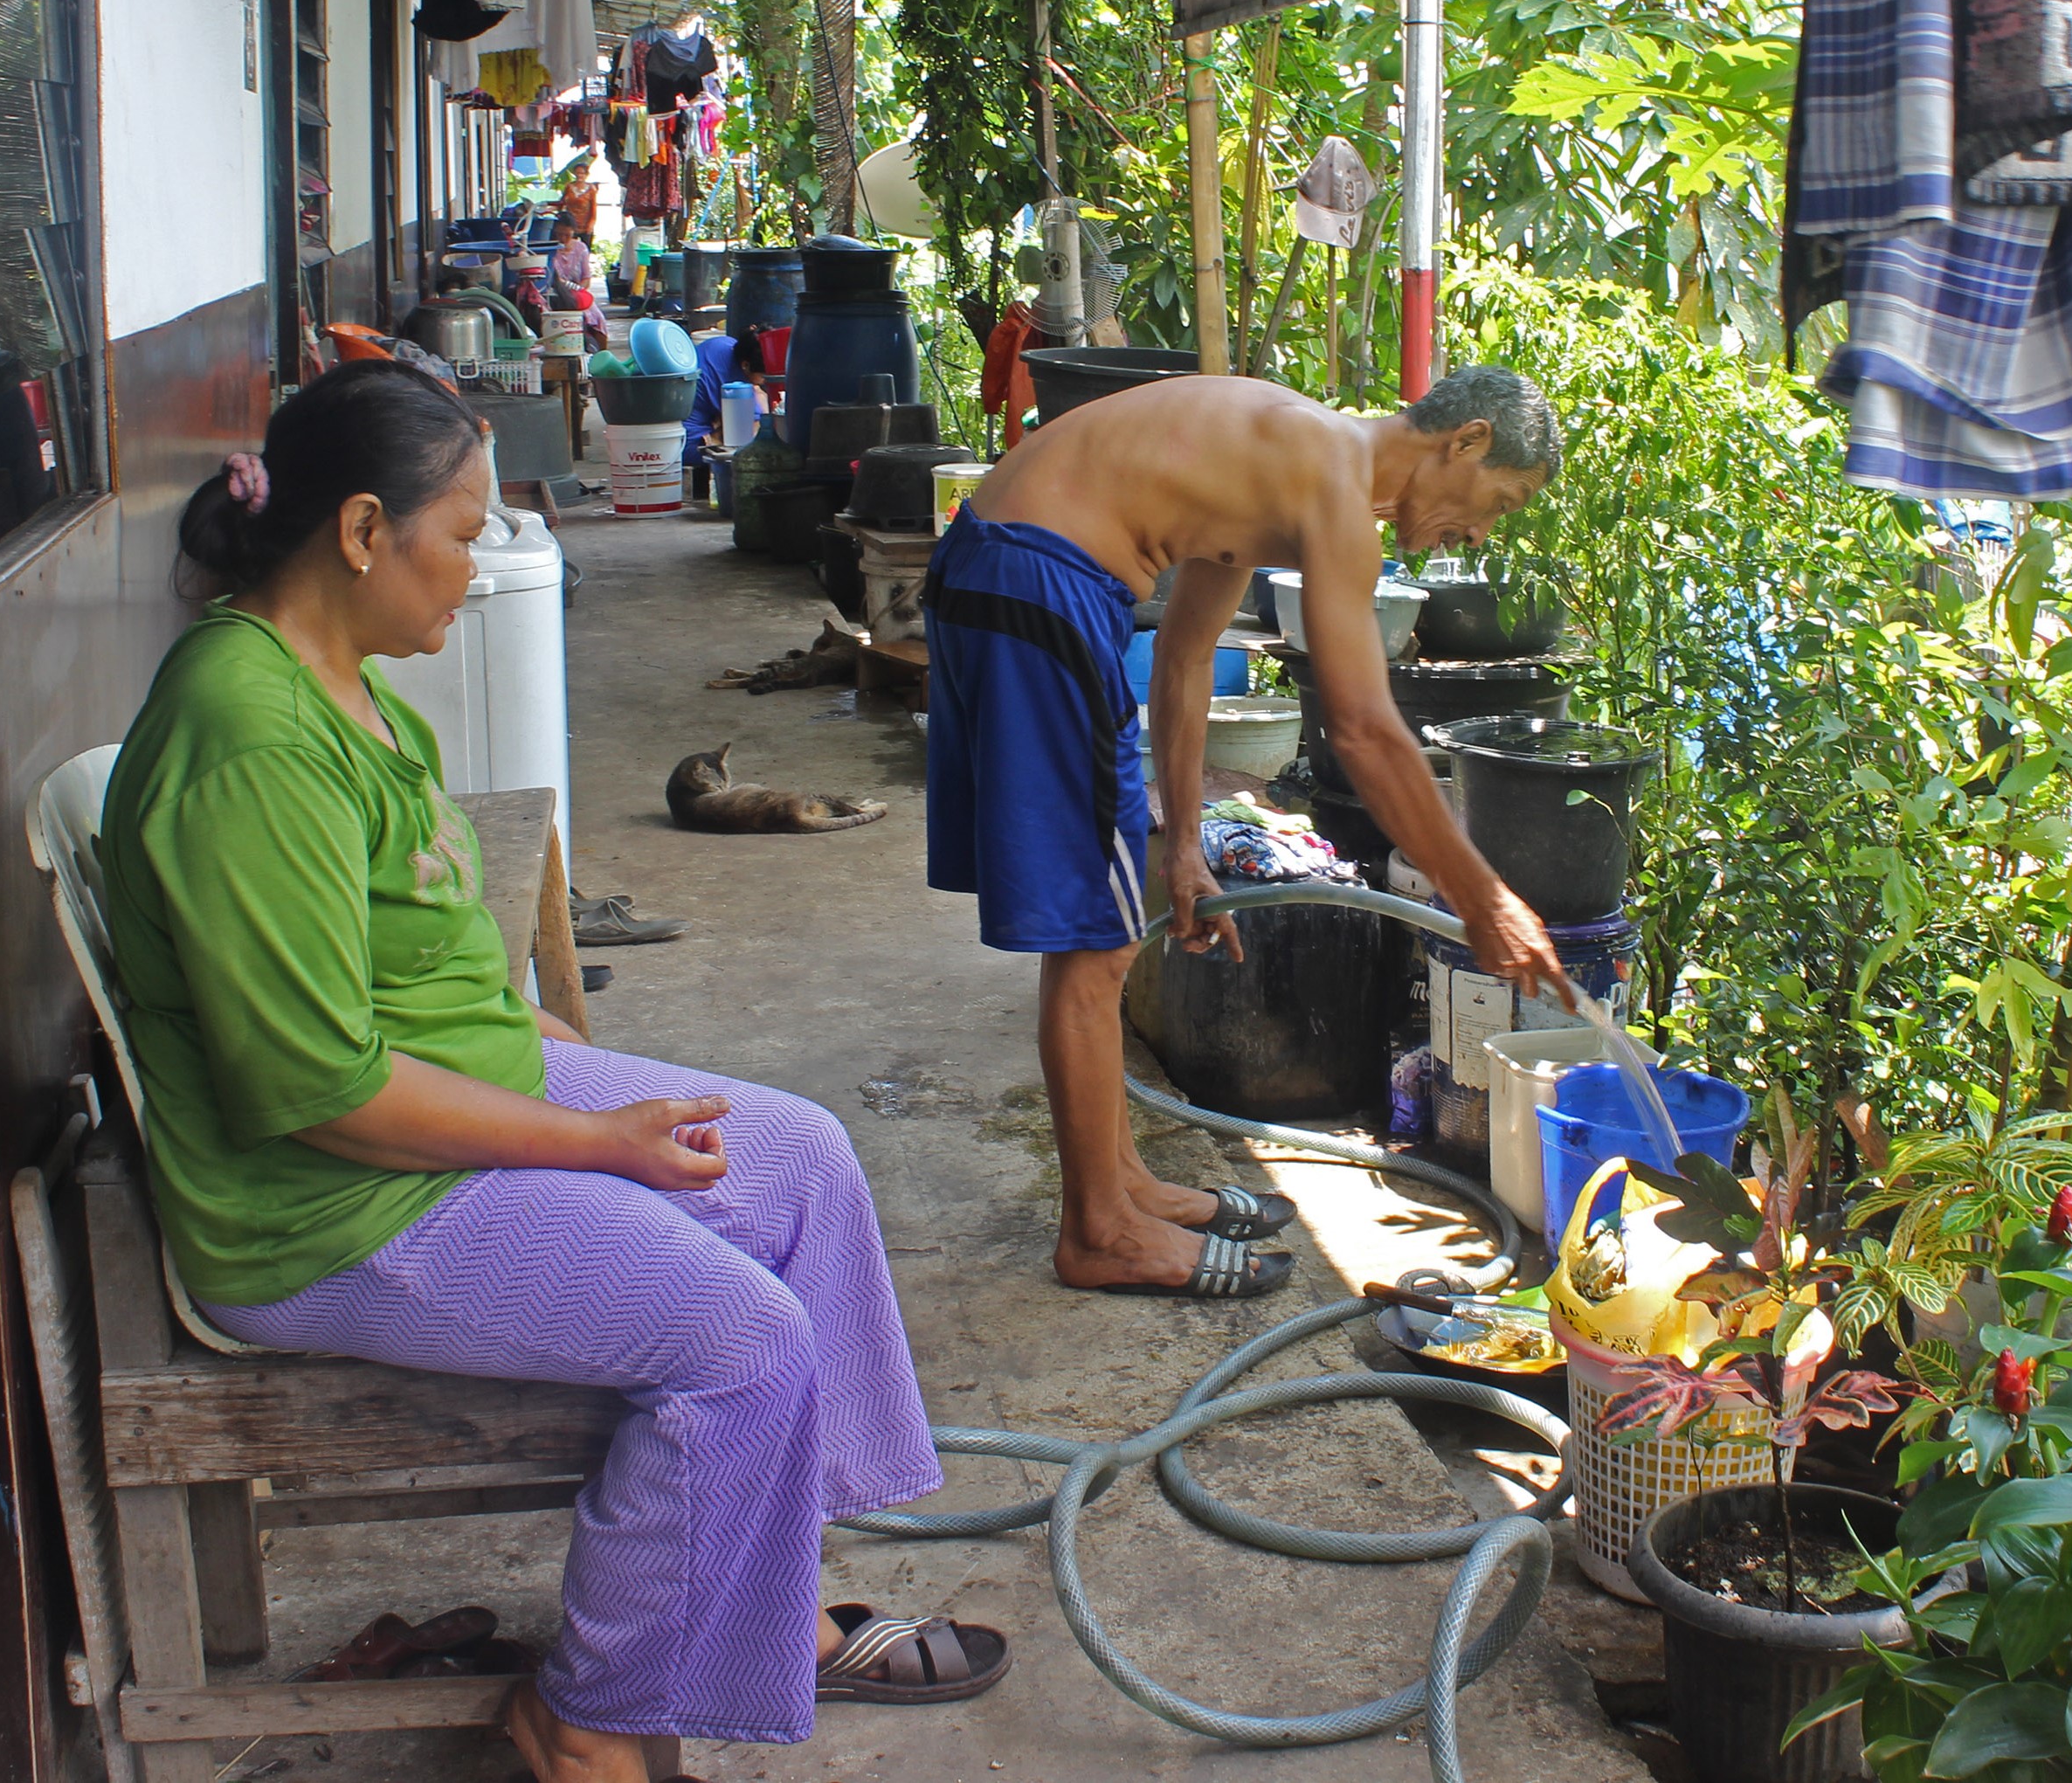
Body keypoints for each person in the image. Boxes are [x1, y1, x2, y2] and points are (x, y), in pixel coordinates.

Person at [100, 362, 1001, 1783]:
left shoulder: (338, 682)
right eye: (459, 532)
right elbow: (326, 1093)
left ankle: (766, 1594)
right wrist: (595, 1140)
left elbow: (405, 970)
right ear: (355, 532)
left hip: (438, 1104)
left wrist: (551, 1059)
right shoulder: (248, 736)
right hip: (328, 1208)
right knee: (741, 1340)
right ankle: (586, 1712)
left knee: (805, 1159)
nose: (480, 562)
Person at [922, 365, 1572, 1298]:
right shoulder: (1336, 485)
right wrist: (1482, 898)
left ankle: (1124, 1184)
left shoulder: (1277, 471)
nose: (1481, 530)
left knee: (1100, 931)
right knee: (1090, 944)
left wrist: (1184, 849)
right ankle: (1097, 1231)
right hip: (1035, 580)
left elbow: (1185, 664)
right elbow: (1362, 730)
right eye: (1498, 502)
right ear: (1462, 442)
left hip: (1024, 574)